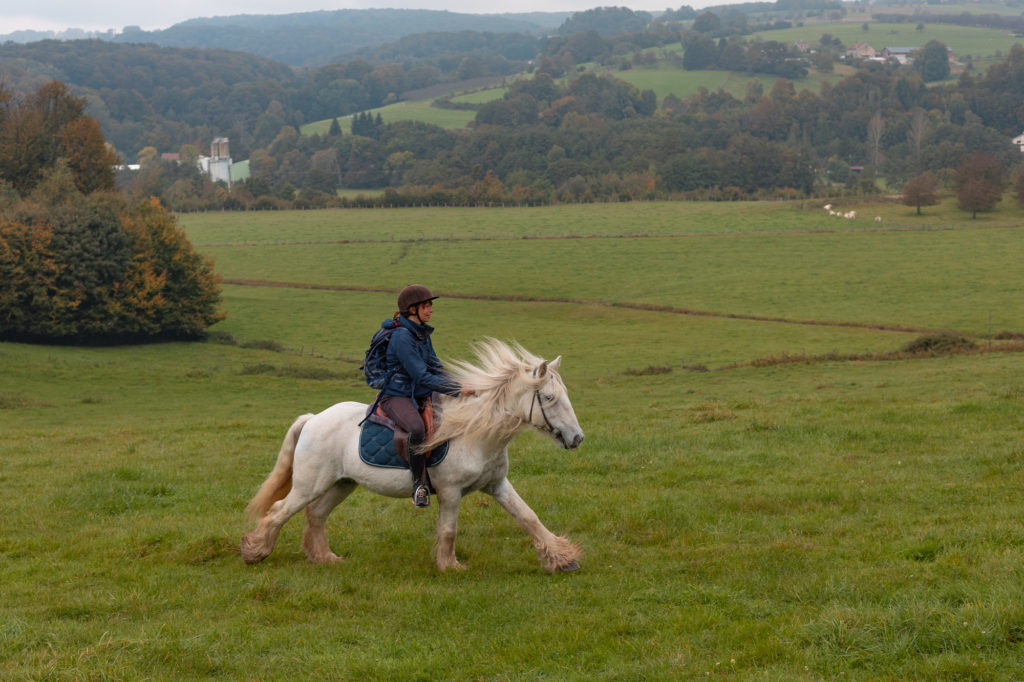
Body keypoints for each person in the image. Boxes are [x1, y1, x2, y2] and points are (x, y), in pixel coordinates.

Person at [377, 284, 472, 508]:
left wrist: (460, 384)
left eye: (430, 306)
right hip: (396, 396)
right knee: (417, 429)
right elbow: (421, 377)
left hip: (419, 395)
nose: (431, 310)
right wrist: (457, 390)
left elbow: (436, 367)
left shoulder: (420, 334)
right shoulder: (402, 338)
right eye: (426, 306)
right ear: (412, 309)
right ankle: (419, 485)